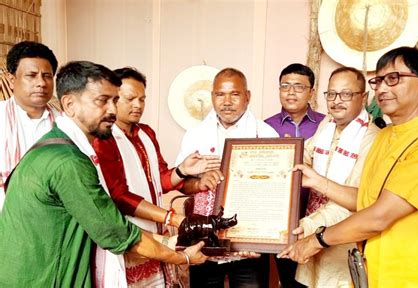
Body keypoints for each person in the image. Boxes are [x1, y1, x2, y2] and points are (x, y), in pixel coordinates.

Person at [0, 61, 208, 287]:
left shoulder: (56, 146)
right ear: (69, 104)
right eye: (102, 101)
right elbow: (117, 233)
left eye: (115, 100)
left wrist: (168, 240)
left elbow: (111, 222)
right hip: (45, 278)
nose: (111, 110)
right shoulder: (68, 162)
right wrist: (183, 257)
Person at [278, 47, 418, 287]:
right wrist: (316, 181)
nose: (383, 89)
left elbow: (379, 215)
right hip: (370, 272)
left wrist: (316, 239)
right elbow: (364, 201)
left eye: (394, 79)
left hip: (413, 277)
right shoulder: (387, 137)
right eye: (378, 81)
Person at [93, 67, 223, 287]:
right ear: (114, 99)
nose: (138, 105)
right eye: (130, 99)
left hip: (155, 229)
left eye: (142, 99)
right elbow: (118, 196)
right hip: (129, 232)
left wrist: (182, 170)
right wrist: (172, 218)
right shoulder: (103, 138)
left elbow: (159, 180)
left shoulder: (146, 133)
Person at [175, 68, 278, 287]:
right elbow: (182, 184)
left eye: (235, 94)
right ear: (212, 96)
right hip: (205, 242)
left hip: (250, 243)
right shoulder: (195, 134)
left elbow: (278, 190)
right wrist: (200, 183)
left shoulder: (266, 133)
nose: (227, 101)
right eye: (220, 94)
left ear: (247, 96)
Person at [294, 67, 379, 287]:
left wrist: (309, 224)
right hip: (312, 231)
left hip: (343, 238)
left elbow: (359, 200)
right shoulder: (327, 125)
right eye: (331, 94)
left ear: (364, 97)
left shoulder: (372, 138)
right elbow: (307, 155)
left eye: (346, 94)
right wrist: (285, 154)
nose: (336, 101)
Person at [264, 63, 325, 288]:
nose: (291, 92)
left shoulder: (326, 124)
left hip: (320, 217)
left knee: (321, 277)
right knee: (290, 280)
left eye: (299, 86)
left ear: (312, 92)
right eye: (285, 86)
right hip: (280, 220)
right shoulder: (265, 128)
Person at [0, 41, 61, 209]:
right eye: (31, 75)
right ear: (12, 80)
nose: (41, 83)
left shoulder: (65, 123)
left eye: (47, 76)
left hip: (53, 219)